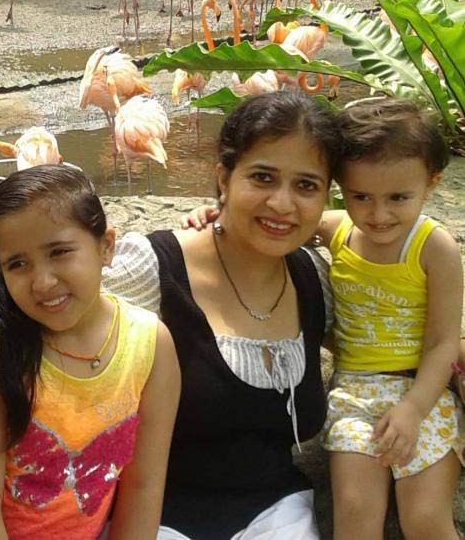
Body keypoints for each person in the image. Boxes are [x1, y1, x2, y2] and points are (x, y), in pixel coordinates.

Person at [0, 89, 341, 540]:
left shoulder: (318, 282)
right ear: (224, 178)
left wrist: (340, 227)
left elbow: (403, 336)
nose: (283, 205)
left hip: (276, 514)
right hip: (161, 521)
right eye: (263, 178)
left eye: (306, 186)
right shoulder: (148, 269)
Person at [182, 97, 465, 539]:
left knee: (425, 519)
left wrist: (413, 410)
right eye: (361, 196)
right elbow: (273, 217)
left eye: (398, 198)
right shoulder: (339, 229)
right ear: (341, 188)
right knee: (354, 515)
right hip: (353, 393)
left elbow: (444, 343)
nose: (379, 214)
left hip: (420, 391)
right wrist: (219, 211)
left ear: (432, 182)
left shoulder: (434, 248)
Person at [0, 164, 180, 540]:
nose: (43, 282)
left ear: (106, 246)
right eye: (17, 264)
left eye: (60, 252)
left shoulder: (151, 346)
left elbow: (144, 486)